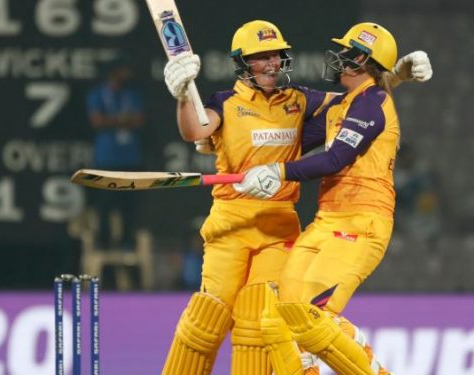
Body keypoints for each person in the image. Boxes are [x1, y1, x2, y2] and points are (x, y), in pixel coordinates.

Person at [161, 20, 431, 375]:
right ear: (243, 63)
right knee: (204, 323)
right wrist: (183, 95)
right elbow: (194, 129)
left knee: (262, 322)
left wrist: (392, 76)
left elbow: (356, 105)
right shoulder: (224, 103)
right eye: (261, 58)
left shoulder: (300, 100)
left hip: (279, 225)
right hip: (231, 222)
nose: (272, 63)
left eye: (276, 55)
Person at [233, 22, 407, 375]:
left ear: (362, 59)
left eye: (347, 52)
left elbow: (334, 159)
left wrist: (278, 173)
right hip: (327, 221)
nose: (339, 58)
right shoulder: (345, 104)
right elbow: (286, 138)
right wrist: (218, 135)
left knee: (312, 317)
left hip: (362, 224)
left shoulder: (373, 102)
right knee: (275, 320)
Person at [86, 58, 145, 250]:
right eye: (123, 71)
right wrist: (122, 120)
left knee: (129, 203)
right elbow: (97, 122)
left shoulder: (133, 95)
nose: (127, 75)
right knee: (104, 202)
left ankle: (127, 241)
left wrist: (112, 121)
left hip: (130, 157)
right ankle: (102, 241)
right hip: (106, 157)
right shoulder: (97, 94)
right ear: (114, 72)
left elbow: (139, 121)